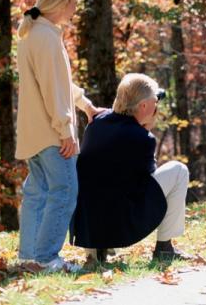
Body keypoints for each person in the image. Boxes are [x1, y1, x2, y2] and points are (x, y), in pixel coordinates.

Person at [16, 0, 104, 272]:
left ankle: (28, 257)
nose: (75, 10)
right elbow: (54, 91)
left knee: (37, 193)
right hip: (52, 133)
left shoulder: (33, 34)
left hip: (32, 133)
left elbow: (59, 82)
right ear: (63, 2)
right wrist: (66, 131)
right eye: (74, 4)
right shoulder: (47, 38)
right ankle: (46, 259)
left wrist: (86, 105)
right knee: (65, 191)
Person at [70, 73, 190, 262]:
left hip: (88, 228)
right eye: (154, 101)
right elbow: (147, 187)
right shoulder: (142, 138)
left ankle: (95, 252)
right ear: (143, 106)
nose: (156, 106)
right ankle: (164, 248)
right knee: (179, 171)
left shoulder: (95, 123)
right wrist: (146, 130)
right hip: (120, 227)